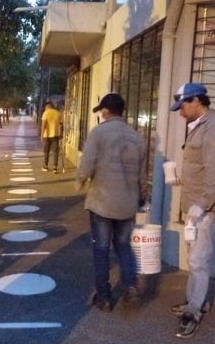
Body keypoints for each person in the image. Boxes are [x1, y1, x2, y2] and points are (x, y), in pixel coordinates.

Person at [169, 82, 215, 339]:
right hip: (196, 206)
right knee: (193, 255)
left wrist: (201, 205)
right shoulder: (199, 126)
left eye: (183, 105)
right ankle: (197, 301)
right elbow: (201, 168)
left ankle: (194, 311)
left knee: (198, 259)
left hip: (207, 206)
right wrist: (179, 178)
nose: (180, 111)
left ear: (197, 101)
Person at [76, 93, 147, 311]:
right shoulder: (137, 137)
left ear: (106, 111)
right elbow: (142, 175)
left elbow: (87, 164)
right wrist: (141, 197)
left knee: (101, 249)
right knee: (124, 246)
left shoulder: (98, 133)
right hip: (127, 203)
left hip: (102, 202)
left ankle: (105, 297)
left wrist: (80, 180)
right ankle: (130, 287)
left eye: (102, 110)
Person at [41, 100, 62, 173]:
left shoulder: (45, 113)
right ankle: (55, 167)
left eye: (45, 107)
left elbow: (43, 125)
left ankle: (45, 166)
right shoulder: (58, 113)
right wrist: (61, 134)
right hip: (56, 135)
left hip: (46, 135)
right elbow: (61, 125)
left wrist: (41, 135)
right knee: (55, 152)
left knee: (46, 151)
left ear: (47, 106)